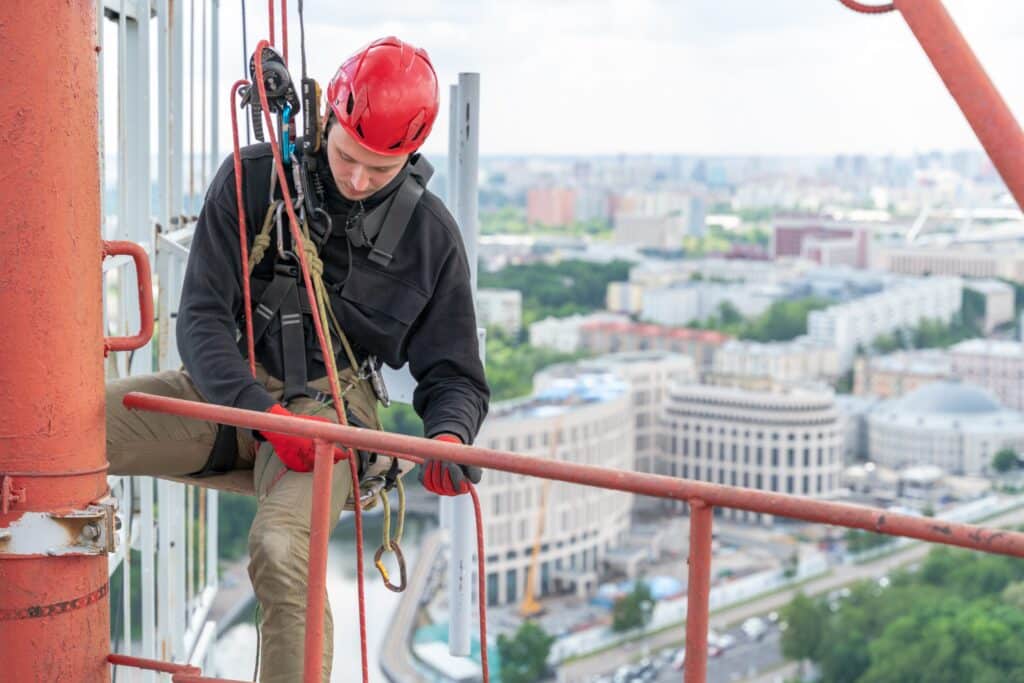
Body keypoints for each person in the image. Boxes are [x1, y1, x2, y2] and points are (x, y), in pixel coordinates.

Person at [105, 36, 489, 682]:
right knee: (61, 433)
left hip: (331, 412)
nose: (358, 178)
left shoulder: (429, 236)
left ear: (409, 158)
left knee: (282, 547)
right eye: (346, 157)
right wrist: (261, 414)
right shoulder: (256, 180)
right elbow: (200, 319)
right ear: (327, 121)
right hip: (234, 391)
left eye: (379, 168)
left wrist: (450, 436)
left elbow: (455, 372)